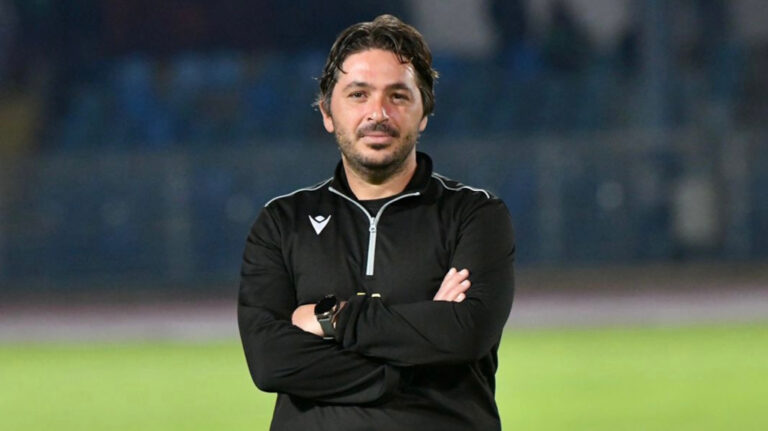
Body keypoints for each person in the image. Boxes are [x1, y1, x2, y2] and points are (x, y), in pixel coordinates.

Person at [238, 14, 515, 431]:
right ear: (327, 112)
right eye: (358, 94)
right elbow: (270, 361)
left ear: (424, 112)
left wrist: (333, 318)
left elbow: (466, 333)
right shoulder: (281, 223)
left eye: (398, 96)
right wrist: (410, 361)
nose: (378, 113)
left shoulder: (474, 215)